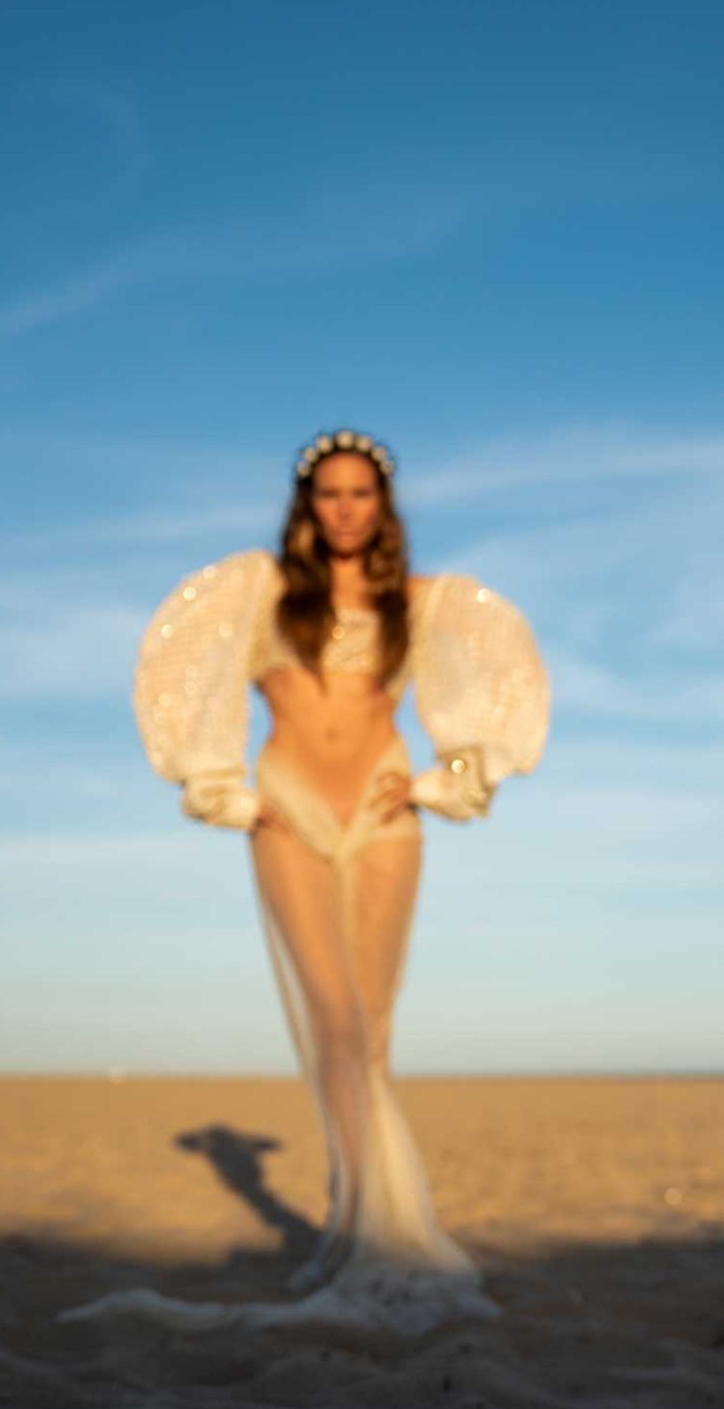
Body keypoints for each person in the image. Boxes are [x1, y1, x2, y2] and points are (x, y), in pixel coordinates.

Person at [59, 428, 549, 1338]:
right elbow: (179, 675)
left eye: (362, 493)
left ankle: (352, 1220)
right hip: (288, 811)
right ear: (305, 503)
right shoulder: (260, 593)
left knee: (374, 1026)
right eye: (329, 493)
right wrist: (223, 792)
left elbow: (500, 689)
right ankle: (370, 1233)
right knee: (334, 1015)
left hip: (385, 813)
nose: (346, 509)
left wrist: (445, 783)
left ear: (384, 503)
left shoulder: (423, 603)